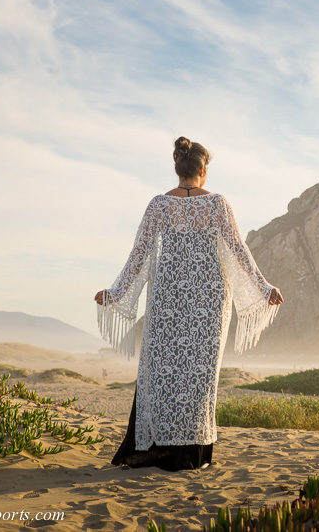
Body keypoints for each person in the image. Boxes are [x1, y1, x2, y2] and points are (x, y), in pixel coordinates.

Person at [94, 136, 284, 471]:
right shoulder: (218, 205)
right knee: (199, 377)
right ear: (202, 170)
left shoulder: (158, 204)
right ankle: (193, 455)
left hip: (168, 299)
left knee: (163, 369)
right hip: (209, 303)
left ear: (178, 169)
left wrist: (116, 292)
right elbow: (239, 251)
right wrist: (263, 287)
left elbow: (138, 255)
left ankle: (157, 450)